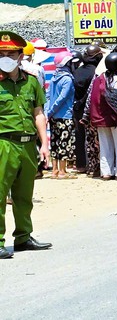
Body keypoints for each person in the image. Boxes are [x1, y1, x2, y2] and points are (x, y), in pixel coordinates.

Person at [0, 31, 52, 259]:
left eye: (10, 53)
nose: (5, 57)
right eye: (1, 53)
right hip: (3, 144)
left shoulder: (30, 81)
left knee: (24, 194)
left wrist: (44, 143)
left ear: (21, 55)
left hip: (28, 144)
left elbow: (38, 113)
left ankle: (23, 236)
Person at [84, 52, 117, 180]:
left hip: (99, 118)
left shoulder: (98, 79)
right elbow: (116, 102)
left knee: (105, 146)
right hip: (113, 119)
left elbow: (91, 98)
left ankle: (106, 172)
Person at [45, 51, 77, 179]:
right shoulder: (67, 79)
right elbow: (62, 98)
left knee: (54, 142)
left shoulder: (53, 78)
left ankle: (55, 171)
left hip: (53, 117)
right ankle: (63, 171)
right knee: (64, 143)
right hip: (65, 116)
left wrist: (48, 112)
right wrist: (52, 110)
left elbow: (48, 96)